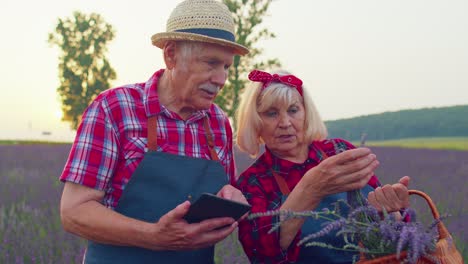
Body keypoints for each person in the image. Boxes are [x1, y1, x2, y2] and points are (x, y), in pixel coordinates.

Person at [58, 1, 250, 263]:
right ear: (171, 55)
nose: (221, 78)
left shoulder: (217, 122)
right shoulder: (114, 108)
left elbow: (222, 194)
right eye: (211, 63)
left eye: (227, 66)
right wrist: (154, 236)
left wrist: (231, 196)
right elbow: (74, 212)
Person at [234, 69, 411, 263]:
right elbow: (263, 256)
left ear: (306, 113)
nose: (285, 123)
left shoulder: (339, 151)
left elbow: (389, 227)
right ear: (255, 121)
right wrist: (310, 189)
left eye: (293, 110)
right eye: (271, 113)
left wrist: (390, 211)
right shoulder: (254, 182)